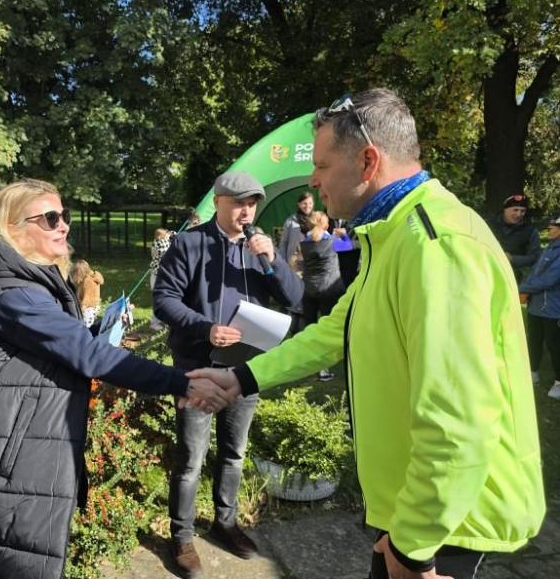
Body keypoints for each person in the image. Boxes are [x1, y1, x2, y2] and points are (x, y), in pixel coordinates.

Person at [188, 89, 545, 579]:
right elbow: (338, 329)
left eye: (321, 166)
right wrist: (244, 378)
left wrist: (413, 549)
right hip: (414, 508)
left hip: (448, 523)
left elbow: (458, 419)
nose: (312, 181)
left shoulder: (435, 245)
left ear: (368, 161)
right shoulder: (396, 232)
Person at [0, 178, 229, 579]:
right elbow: (87, 355)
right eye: (51, 217)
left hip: (11, 457)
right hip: (4, 468)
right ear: (13, 228)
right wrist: (183, 383)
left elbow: (64, 347)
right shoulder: (14, 294)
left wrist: (101, 328)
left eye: (65, 216)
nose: (64, 225)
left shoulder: (28, 284)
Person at [153, 170, 303, 578]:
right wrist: (205, 328)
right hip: (197, 368)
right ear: (218, 201)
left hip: (245, 370)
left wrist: (272, 260)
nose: (246, 210)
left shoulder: (259, 250)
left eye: (252, 202)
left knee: (234, 454)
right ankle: (182, 537)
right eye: (239, 201)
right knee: (191, 459)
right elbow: (163, 299)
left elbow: (295, 299)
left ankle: (225, 522)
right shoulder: (189, 244)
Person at [298, 211, 346, 382]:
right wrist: (344, 235)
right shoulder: (334, 242)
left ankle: (310, 362)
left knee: (310, 327)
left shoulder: (304, 242)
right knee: (328, 328)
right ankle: (325, 366)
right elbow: (350, 247)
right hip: (329, 289)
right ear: (326, 225)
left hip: (309, 288)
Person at [519, 215, 560, 399]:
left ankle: (559, 382)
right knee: (534, 341)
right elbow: (535, 273)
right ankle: (532, 373)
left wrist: (519, 288)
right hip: (536, 307)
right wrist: (526, 287)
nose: (548, 229)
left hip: (553, 310)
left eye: (552, 227)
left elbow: (549, 279)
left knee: (555, 345)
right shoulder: (549, 249)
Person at [488, 194, 541, 280]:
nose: (519, 214)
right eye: (515, 210)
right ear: (505, 210)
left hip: (515, 277)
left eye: (522, 211)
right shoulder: (489, 225)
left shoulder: (530, 231)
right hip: (488, 272)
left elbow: (535, 257)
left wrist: (512, 259)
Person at [278, 191, 315, 264]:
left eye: (310, 203)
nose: (307, 206)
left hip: (312, 261)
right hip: (295, 262)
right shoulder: (290, 221)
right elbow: (284, 243)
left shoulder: (316, 220)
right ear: (299, 204)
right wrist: (283, 262)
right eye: (304, 203)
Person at [148, 228, 174, 330]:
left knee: (166, 299)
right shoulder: (161, 244)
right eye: (166, 234)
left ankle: (166, 321)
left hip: (160, 275)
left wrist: (171, 234)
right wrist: (170, 238)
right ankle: (154, 323)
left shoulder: (158, 242)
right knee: (159, 299)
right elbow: (169, 250)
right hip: (159, 276)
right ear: (162, 236)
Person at [70, 259, 104, 328]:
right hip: (93, 306)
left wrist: (81, 308)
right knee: (90, 324)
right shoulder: (93, 276)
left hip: (88, 309)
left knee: (86, 327)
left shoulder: (88, 282)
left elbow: (87, 298)